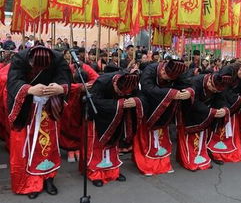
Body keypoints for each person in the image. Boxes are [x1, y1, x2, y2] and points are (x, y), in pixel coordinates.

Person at [7, 45, 72, 199]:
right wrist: (29, 90)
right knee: (28, 145)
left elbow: (65, 78)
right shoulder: (20, 58)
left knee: (49, 145)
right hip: (27, 107)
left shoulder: (57, 58)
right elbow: (13, 81)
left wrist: (60, 88)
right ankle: (32, 181)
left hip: (50, 105)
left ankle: (49, 178)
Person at [133, 60, 195, 175]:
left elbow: (190, 85)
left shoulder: (179, 72)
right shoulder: (150, 69)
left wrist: (189, 92)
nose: (165, 76)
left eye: (169, 78)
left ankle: (163, 162)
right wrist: (171, 93)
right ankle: (146, 162)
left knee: (162, 134)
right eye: (164, 73)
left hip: (165, 106)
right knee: (147, 136)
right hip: (148, 104)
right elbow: (147, 89)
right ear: (163, 67)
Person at [82, 71, 144, 187]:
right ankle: (95, 172)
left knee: (113, 142)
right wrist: (119, 103)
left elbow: (141, 97)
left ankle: (113, 170)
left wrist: (135, 101)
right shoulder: (102, 82)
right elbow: (94, 102)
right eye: (120, 93)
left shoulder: (131, 81)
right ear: (115, 85)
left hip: (116, 115)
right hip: (98, 116)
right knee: (97, 145)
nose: (122, 95)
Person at [207, 62, 241, 164]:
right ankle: (212, 150)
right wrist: (240, 99)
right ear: (240, 68)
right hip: (220, 100)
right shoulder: (228, 70)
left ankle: (229, 149)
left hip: (233, 105)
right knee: (218, 126)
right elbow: (222, 89)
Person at [60, 61, 99, 162]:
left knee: (80, 125)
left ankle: (77, 148)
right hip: (68, 99)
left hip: (81, 101)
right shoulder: (66, 68)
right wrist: (78, 87)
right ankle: (70, 150)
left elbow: (97, 79)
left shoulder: (85, 67)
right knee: (68, 124)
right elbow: (61, 84)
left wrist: (86, 85)